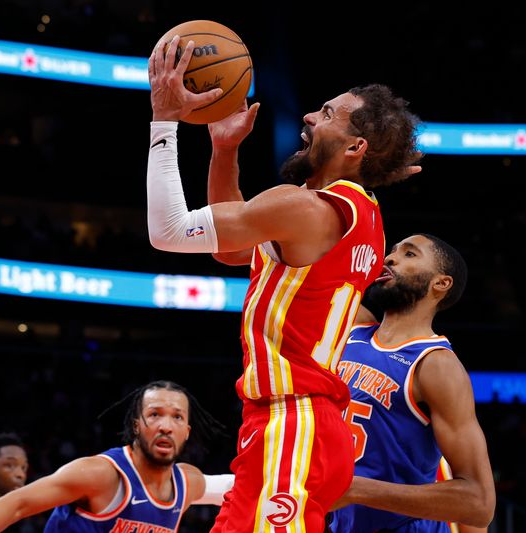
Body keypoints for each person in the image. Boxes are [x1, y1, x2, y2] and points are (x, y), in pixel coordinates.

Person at [146, 36, 421, 533]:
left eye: (327, 113)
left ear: (355, 147)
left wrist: (163, 120)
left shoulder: (305, 209)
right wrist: (224, 150)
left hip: (294, 424)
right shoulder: (361, 214)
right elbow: (230, 249)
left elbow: (166, 232)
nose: (311, 119)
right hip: (295, 424)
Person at [328, 234, 495, 532]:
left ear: (440, 284)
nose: (390, 259)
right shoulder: (352, 328)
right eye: (392, 252)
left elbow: (479, 504)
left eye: (409, 254)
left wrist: (356, 489)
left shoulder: (435, 365)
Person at [0, 381, 233, 533]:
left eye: (177, 417)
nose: (166, 426)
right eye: (154, 414)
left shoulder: (188, 484)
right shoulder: (101, 474)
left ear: (186, 431)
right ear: (137, 425)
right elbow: (16, 503)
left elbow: (237, 488)